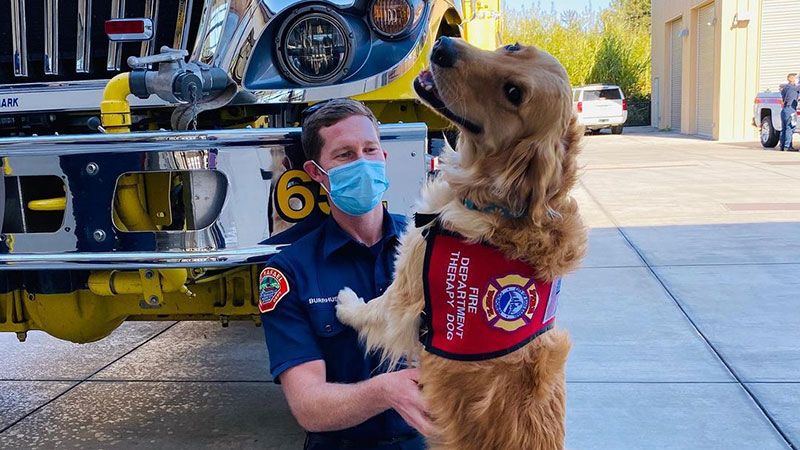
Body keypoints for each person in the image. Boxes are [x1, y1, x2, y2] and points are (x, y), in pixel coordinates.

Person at [259, 98, 433, 450]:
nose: (363, 163)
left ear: (384, 159)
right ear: (316, 173)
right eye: (344, 155)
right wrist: (386, 391)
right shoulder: (289, 271)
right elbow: (310, 408)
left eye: (370, 149)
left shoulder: (428, 245)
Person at [779, 73, 800, 151]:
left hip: (784, 110)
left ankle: (782, 146)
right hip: (791, 109)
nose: (796, 79)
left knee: (784, 128)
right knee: (790, 128)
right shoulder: (794, 88)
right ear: (791, 79)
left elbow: (783, 96)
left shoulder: (785, 88)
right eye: (794, 78)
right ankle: (787, 146)